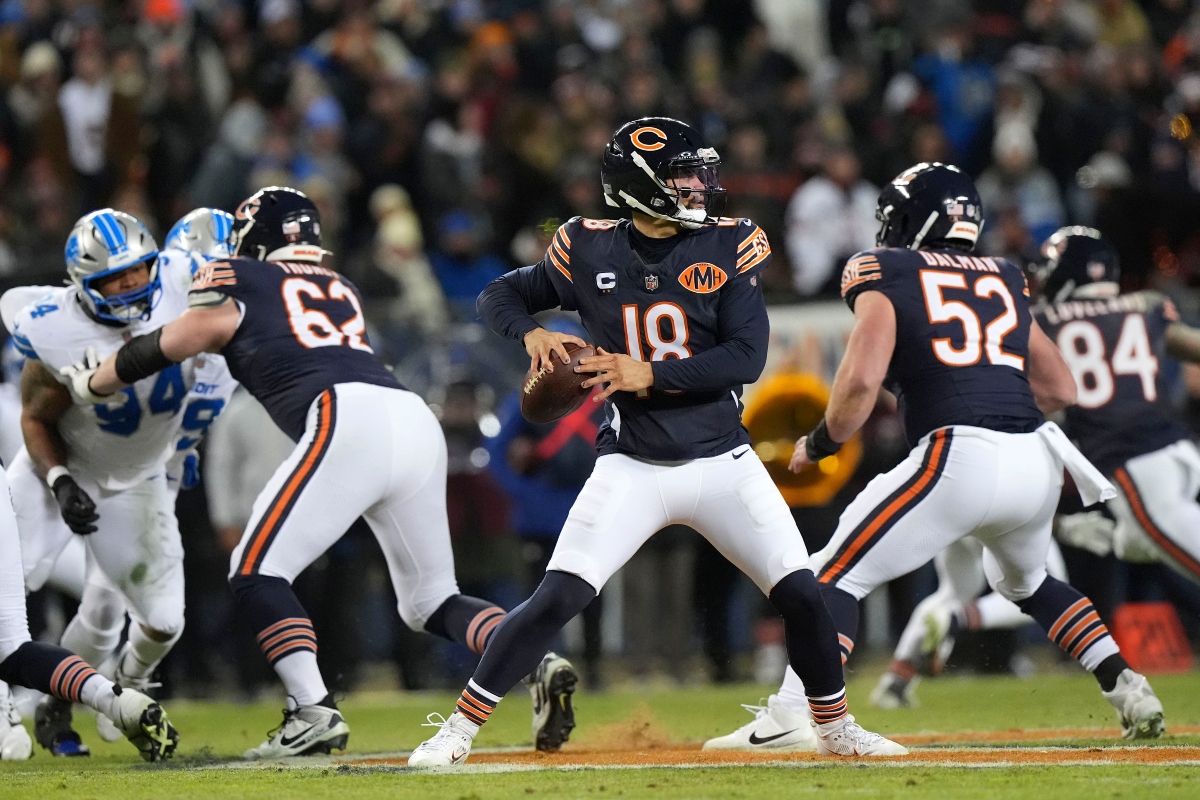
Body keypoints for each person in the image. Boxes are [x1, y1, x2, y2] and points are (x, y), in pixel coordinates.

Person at [406, 117, 906, 767]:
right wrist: (531, 334)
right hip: (634, 464)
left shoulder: (730, 243)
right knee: (558, 595)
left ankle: (835, 727)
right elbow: (501, 294)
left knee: (802, 592)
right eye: (683, 176)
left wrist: (651, 373)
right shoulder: (585, 246)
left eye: (699, 173)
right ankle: (460, 730)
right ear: (639, 184)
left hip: (724, 459)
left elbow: (746, 357)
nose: (700, 186)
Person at [67, 186, 570, 759]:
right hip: (410, 416)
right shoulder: (342, 287)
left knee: (256, 570)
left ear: (255, 236)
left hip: (346, 415)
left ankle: (312, 710)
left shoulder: (238, 275)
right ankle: (533, 660)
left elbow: (185, 337)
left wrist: (94, 380)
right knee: (429, 600)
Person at [705, 163, 1165, 752]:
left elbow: (859, 384)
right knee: (1030, 582)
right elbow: (1059, 389)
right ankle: (1129, 689)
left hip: (959, 453)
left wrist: (821, 441)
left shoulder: (886, 269)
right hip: (1035, 459)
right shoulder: (1004, 274)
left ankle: (793, 715)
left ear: (911, 219)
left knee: (832, 575)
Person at [3, 209, 201, 756]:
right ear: (82, 287)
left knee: (163, 621)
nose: (130, 286)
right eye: (113, 280)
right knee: (5, 588)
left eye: (138, 272)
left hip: (138, 478)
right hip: (63, 472)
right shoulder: (53, 326)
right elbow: (37, 417)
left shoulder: (186, 288)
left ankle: (110, 687)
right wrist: (61, 480)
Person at [1031, 227, 1200, 585]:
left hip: (1135, 465)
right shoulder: (1145, 307)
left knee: (1152, 532)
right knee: (1131, 542)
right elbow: (1192, 345)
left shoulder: (1039, 323)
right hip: (1180, 450)